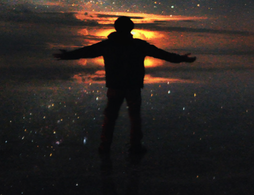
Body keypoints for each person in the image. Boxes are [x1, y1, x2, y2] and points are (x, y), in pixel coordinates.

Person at [54, 16, 196, 155]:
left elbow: (86, 51)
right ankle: (135, 146)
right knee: (134, 117)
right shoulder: (139, 45)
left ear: (116, 28)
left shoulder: (107, 45)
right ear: (131, 29)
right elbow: (162, 54)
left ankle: (105, 146)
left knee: (110, 117)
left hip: (115, 86)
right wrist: (181, 59)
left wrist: (67, 55)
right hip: (133, 86)